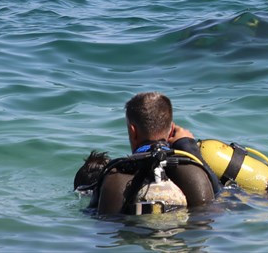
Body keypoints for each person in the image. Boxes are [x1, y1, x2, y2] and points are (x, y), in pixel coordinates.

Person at [89, 92, 222, 215]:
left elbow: (103, 227)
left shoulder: (116, 177)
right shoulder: (193, 171)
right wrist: (188, 146)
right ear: (171, 131)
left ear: (132, 131)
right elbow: (214, 213)